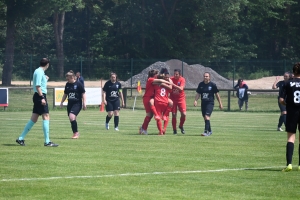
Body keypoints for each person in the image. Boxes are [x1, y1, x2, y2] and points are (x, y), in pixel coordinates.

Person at [16, 58, 58, 147]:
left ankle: (20, 138)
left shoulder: (39, 71)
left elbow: (40, 84)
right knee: (46, 116)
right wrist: (42, 97)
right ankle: (47, 141)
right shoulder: (39, 72)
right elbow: (38, 86)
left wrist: (45, 79)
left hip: (38, 96)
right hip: (40, 96)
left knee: (34, 118)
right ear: (47, 64)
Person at [279, 62, 300, 172]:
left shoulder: (287, 83)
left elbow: (281, 100)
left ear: (293, 72)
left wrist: (288, 104)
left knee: (291, 138)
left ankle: (289, 164)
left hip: (292, 112)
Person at [139, 69, 172, 135]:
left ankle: (143, 128)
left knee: (170, 102)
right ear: (154, 75)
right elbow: (160, 81)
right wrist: (169, 82)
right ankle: (143, 129)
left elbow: (162, 84)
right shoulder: (150, 79)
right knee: (149, 115)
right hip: (148, 98)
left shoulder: (154, 81)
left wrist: (167, 80)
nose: (158, 75)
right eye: (156, 74)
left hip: (153, 97)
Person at [194, 72, 223, 136]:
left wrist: (220, 103)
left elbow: (217, 94)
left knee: (207, 117)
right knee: (205, 118)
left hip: (210, 103)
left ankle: (206, 132)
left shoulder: (212, 85)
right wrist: (195, 100)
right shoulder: (201, 84)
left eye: (207, 76)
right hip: (203, 103)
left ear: (209, 77)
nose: (205, 77)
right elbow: (198, 93)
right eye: (204, 76)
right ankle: (210, 131)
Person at [60, 70, 87, 139]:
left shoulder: (78, 84)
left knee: (71, 116)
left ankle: (76, 133)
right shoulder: (67, 84)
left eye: (68, 78)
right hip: (70, 104)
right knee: (72, 119)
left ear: (72, 77)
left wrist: (84, 103)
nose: (67, 79)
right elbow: (65, 94)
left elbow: (83, 93)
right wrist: (62, 102)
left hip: (77, 103)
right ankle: (75, 133)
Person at [153, 69, 173, 135]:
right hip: (165, 102)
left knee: (158, 117)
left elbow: (153, 81)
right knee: (166, 115)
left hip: (158, 101)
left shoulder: (156, 83)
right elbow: (170, 88)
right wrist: (169, 80)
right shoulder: (168, 83)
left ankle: (161, 131)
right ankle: (164, 129)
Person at [170, 69, 186, 134]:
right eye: (174, 74)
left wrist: (173, 84)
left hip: (181, 99)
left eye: (177, 74)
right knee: (174, 114)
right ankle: (174, 130)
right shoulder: (171, 79)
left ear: (180, 75)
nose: (175, 75)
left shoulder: (182, 79)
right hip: (173, 99)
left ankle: (181, 125)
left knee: (184, 114)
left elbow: (181, 88)